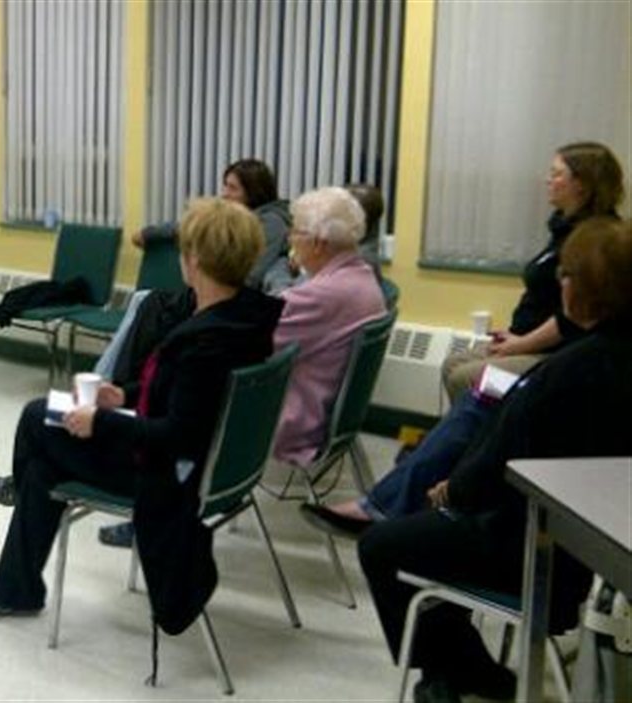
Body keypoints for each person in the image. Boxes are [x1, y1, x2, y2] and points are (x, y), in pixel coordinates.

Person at [0, 199, 282, 655]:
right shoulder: (245, 318)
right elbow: (184, 402)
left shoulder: (205, 340)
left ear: (194, 260)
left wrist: (102, 420)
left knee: (36, 420)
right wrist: (124, 395)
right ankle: (16, 582)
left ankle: (17, 580)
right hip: (203, 468)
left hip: (166, 476)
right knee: (44, 468)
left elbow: (176, 434)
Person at [358, 218, 632, 703]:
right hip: (601, 547)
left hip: (539, 548)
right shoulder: (595, 358)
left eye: (565, 276)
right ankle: (463, 666)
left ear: (585, 289)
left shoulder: (569, 373)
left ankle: (451, 669)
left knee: (383, 544)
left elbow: (497, 468)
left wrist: (454, 489)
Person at [440, 142, 623, 402]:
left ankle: (489, 438)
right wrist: (517, 337)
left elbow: (571, 316)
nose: (547, 180)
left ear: (581, 185)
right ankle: (473, 436)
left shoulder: (595, 238)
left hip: (556, 353)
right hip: (528, 340)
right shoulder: (563, 228)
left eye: (557, 174)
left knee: (466, 377)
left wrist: (521, 345)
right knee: (452, 364)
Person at [270, 187, 388, 466]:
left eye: (295, 232)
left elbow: (251, 340)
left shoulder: (321, 296)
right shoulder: (362, 279)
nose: (290, 239)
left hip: (296, 423)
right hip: (326, 416)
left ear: (319, 243)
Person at [132, 158, 292, 292]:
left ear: (254, 192)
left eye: (233, 188)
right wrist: (149, 234)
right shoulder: (234, 216)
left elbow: (249, 276)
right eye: (225, 185)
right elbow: (194, 224)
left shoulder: (272, 223)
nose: (224, 194)